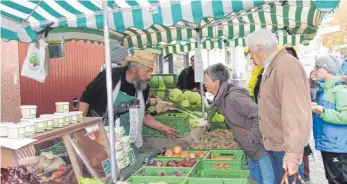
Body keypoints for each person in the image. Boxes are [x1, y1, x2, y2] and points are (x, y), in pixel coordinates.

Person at [246, 29, 311, 183]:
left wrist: (292, 154)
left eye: (250, 51)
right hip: (278, 146)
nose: (250, 56)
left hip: (285, 149)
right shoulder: (275, 65)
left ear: (259, 47)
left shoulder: (286, 66)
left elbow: (294, 112)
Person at [79, 50, 179, 148]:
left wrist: (161, 127)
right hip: (99, 136)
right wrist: (80, 127)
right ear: (134, 69)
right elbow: (86, 98)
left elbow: (141, 114)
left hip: (123, 140)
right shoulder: (109, 77)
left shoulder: (143, 88)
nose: (149, 76)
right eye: (147, 71)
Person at [205, 63, 274, 184]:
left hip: (258, 147)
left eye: (206, 79)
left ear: (216, 82)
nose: (204, 83)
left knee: (267, 179)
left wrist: (251, 138)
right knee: (255, 180)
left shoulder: (233, 97)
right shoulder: (223, 98)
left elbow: (259, 114)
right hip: (249, 148)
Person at [311, 55, 347, 184]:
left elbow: (345, 116)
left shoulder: (339, 90)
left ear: (327, 69)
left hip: (337, 146)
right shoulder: (325, 88)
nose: (315, 70)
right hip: (329, 144)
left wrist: (322, 111)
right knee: (333, 179)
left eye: (317, 67)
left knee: (338, 179)